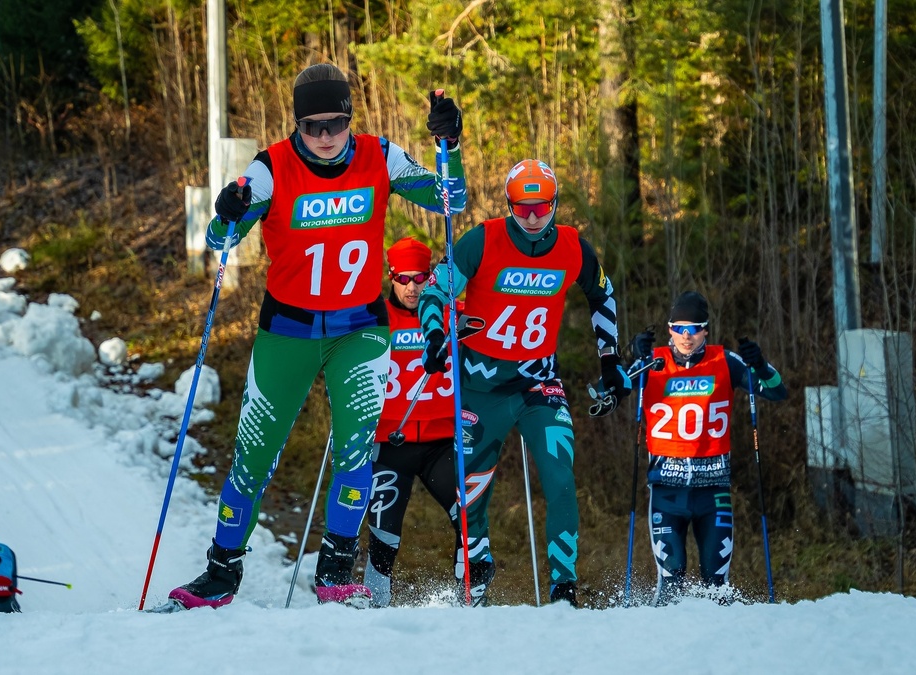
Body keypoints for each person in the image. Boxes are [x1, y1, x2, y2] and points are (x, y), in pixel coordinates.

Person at [169, 63, 467, 609]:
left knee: (357, 452)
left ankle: (335, 574)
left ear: (351, 119)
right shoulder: (271, 168)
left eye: (335, 123)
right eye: (312, 126)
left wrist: (450, 144)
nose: (325, 136)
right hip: (289, 330)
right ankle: (221, 572)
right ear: (296, 125)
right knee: (253, 457)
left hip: (360, 329)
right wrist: (226, 211)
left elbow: (452, 201)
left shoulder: (381, 156)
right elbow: (218, 239)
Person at [416, 159, 629, 608]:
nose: (532, 217)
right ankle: (475, 580)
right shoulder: (484, 239)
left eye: (542, 207)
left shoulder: (573, 247)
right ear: (509, 204)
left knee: (560, 479)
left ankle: (564, 588)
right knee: (471, 490)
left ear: (555, 203)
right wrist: (434, 335)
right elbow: (436, 289)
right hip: (481, 388)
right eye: (522, 207)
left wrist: (610, 358)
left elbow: (601, 292)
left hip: (539, 387)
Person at [629, 291, 788, 605]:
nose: (686, 337)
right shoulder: (653, 362)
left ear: (706, 330)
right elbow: (609, 391)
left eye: (694, 328)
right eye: (679, 328)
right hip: (666, 491)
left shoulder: (726, 361)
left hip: (713, 492)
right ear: (669, 329)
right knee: (671, 579)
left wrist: (762, 366)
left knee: (716, 584)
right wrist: (631, 358)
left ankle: (719, 650)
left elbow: (776, 392)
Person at [364, 237, 462, 607]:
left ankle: (467, 599)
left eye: (420, 278)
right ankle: (375, 605)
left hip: (441, 444)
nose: (411, 287)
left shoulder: (453, 314)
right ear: (390, 276)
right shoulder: (374, 318)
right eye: (402, 278)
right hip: (391, 446)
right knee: (383, 535)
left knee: (469, 519)